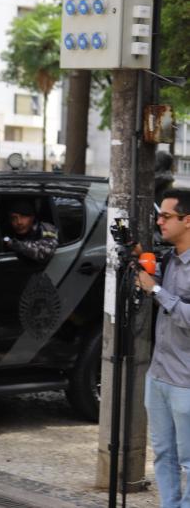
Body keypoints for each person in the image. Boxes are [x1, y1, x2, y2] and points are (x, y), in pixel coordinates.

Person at [136, 188, 190, 508]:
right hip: (158, 374)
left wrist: (155, 289)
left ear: (188, 221)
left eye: (166, 216)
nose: (159, 222)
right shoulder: (168, 258)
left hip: (185, 380)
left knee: (188, 460)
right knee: (163, 456)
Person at [3, 198, 58, 263]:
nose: (19, 222)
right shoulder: (8, 232)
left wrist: (14, 244)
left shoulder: (46, 228)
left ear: (32, 217)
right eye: (14, 218)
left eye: (23, 217)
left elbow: (44, 253)